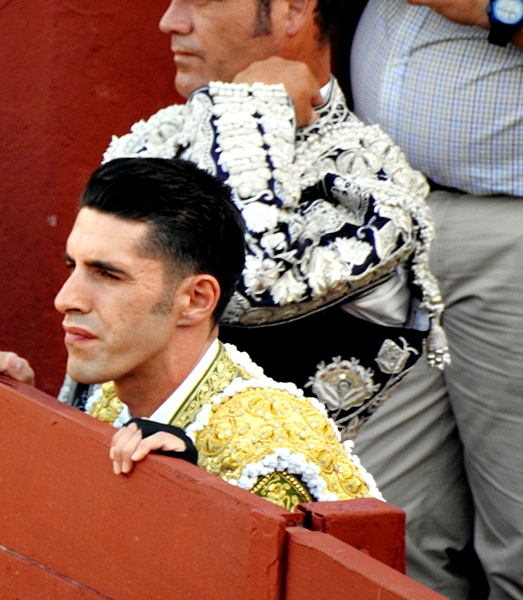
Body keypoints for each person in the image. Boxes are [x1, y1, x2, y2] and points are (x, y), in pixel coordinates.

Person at [59, 0, 449, 441]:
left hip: (286, 492)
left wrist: (253, 110)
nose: (170, 21)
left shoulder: (370, 178)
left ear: (294, 8)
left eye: (201, 1)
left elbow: (243, 285)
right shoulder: (158, 138)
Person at [0, 157, 380, 511]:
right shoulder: (108, 392)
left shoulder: (269, 456)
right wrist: (21, 412)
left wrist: (191, 502)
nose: (66, 299)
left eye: (108, 275)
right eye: (72, 267)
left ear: (193, 300)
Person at [346, 1, 523, 599]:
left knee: (519, 545)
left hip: (509, 225)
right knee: (384, 524)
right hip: (388, 215)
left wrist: (496, 9)